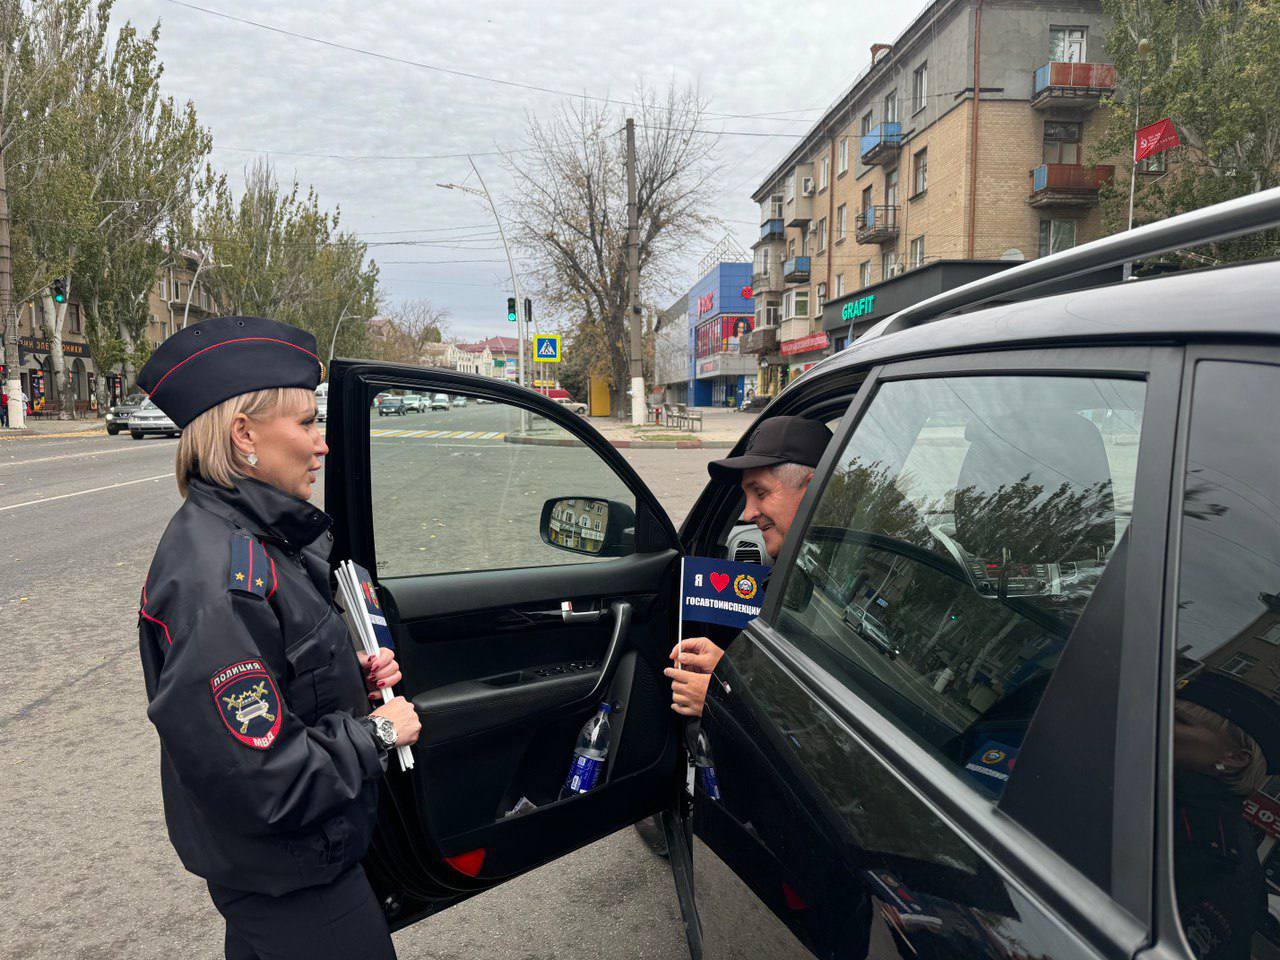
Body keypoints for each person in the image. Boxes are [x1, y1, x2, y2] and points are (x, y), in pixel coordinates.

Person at [135, 315, 421, 960]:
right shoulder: (220, 577)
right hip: (292, 878)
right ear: (244, 436)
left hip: (296, 865)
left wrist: (348, 674)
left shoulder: (257, 539)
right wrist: (377, 733)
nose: (322, 445)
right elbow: (259, 776)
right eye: (307, 423)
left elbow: (274, 676)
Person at [666, 416, 833, 717]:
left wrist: (719, 699)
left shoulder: (835, 578)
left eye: (761, 493)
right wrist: (726, 668)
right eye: (746, 496)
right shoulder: (814, 563)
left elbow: (817, 725)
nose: (746, 513)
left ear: (813, 491)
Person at [1172, 670, 1280, 960]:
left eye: (1179, 720)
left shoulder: (1201, 841)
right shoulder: (1171, 802)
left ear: (1233, 758)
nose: (1155, 720)